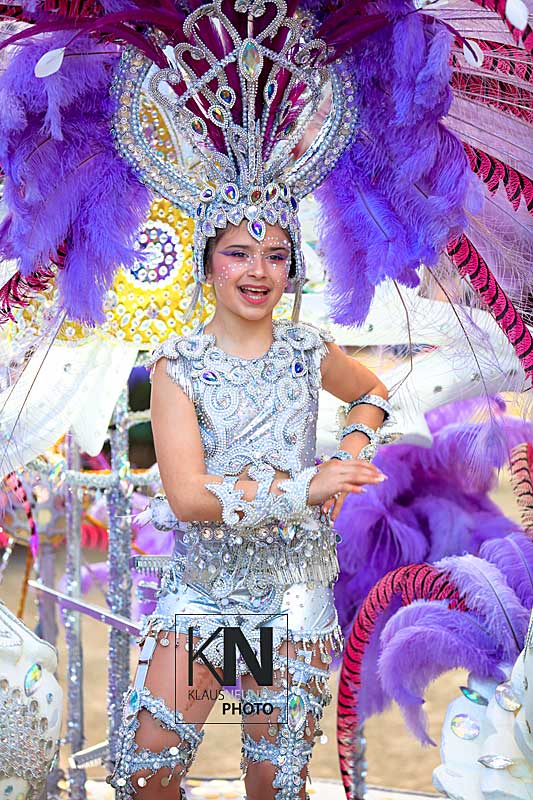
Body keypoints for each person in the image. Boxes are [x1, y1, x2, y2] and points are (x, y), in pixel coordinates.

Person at [108, 214, 391, 800]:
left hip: (290, 593)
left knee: (273, 781)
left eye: (276, 256)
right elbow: (189, 496)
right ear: (207, 262)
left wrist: (348, 455)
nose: (258, 271)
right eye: (238, 253)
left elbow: (370, 392)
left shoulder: (308, 350)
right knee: (148, 772)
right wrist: (308, 485)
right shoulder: (178, 366)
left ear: (292, 269)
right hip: (205, 592)